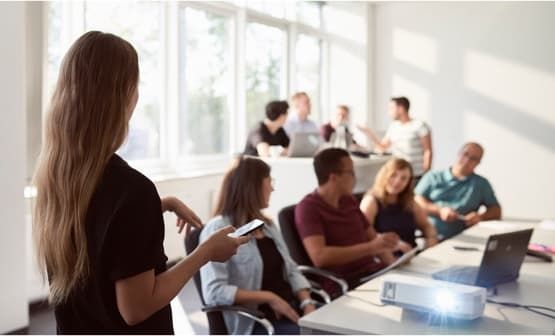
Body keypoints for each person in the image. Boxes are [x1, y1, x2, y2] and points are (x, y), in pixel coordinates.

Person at [32, 31, 247, 334]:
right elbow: (136, 308)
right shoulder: (132, 190)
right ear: (125, 94)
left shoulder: (56, 176)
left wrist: (160, 205)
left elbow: (98, 228)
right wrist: (206, 252)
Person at [200, 156, 316, 335]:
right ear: (253, 186)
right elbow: (214, 292)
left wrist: (307, 303)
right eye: (270, 181)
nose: (272, 187)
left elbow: (291, 269)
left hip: (292, 311)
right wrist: (269, 298)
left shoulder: (267, 225)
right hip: (259, 323)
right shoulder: (218, 229)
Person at [295, 148, 401, 291]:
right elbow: (319, 257)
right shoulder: (308, 208)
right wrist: (371, 248)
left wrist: (394, 268)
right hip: (345, 283)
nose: (355, 178)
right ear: (333, 178)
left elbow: (374, 239)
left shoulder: (349, 201)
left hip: (372, 274)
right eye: (351, 172)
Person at [415, 142, 502, 240]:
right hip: (430, 237)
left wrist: (481, 217)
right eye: (465, 154)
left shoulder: (481, 184)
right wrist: (439, 210)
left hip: (465, 239)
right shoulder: (433, 177)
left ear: (478, 163)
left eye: (473, 159)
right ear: (459, 153)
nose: (467, 160)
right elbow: (416, 201)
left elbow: (496, 210)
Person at [360, 158, 438, 251]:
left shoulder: (410, 202)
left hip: (411, 255)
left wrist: (431, 238)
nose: (397, 181)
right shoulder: (371, 201)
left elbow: (426, 226)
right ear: (384, 175)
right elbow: (363, 234)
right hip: (384, 258)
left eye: (403, 178)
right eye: (393, 175)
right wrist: (395, 245)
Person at [358, 96, 432, 182]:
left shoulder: (419, 125)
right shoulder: (393, 127)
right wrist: (368, 133)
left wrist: (426, 173)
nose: (389, 112)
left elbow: (428, 150)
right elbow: (383, 147)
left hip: (417, 174)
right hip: (399, 174)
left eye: (391, 108)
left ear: (400, 108)